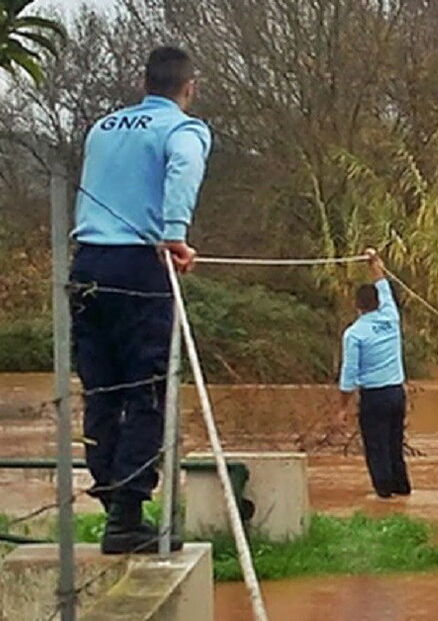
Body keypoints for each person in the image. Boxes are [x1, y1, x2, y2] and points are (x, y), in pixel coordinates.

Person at [70, 46, 212, 554]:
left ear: (143, 82)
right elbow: (184, 168)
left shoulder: (102, 128)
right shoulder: (183, 129)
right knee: (147, 389)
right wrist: (175, 234)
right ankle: (127, 516)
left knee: (101, 390)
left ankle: (113, 504)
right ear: (188, 87)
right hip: (139, 263)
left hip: (86, 264)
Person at [338, 248, 411, 499]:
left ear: (357, 305)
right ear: (378, 302)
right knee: (394, 444)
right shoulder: (391, 316)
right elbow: (383, 283)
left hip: (374, 397)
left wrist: (342, 408)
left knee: (377, 447)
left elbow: (349, 374)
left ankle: (384, 497)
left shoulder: (354, 334)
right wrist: (374, 262)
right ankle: (402, 489)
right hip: (397, 394)